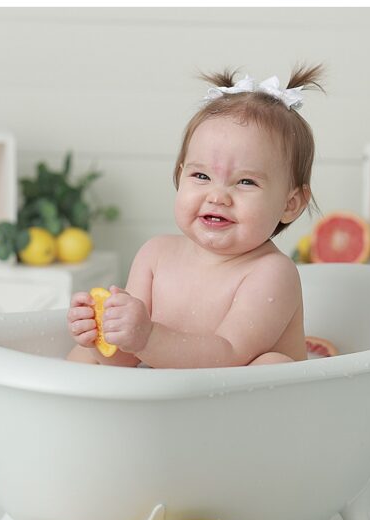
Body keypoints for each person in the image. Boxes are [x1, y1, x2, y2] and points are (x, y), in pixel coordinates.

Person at [66, 63, 326, 368]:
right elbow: (127, 360)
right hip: (171, 404)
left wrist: (147, 337)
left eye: (246, 182)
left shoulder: (270, 273)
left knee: (271, 364)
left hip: (232, 407)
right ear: (180, 176)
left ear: (290, 204)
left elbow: (228, 356)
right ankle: (69, 413)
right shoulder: (155, 255)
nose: (217, 197)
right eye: (201, 176)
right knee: (82, 356)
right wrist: (104, 336)